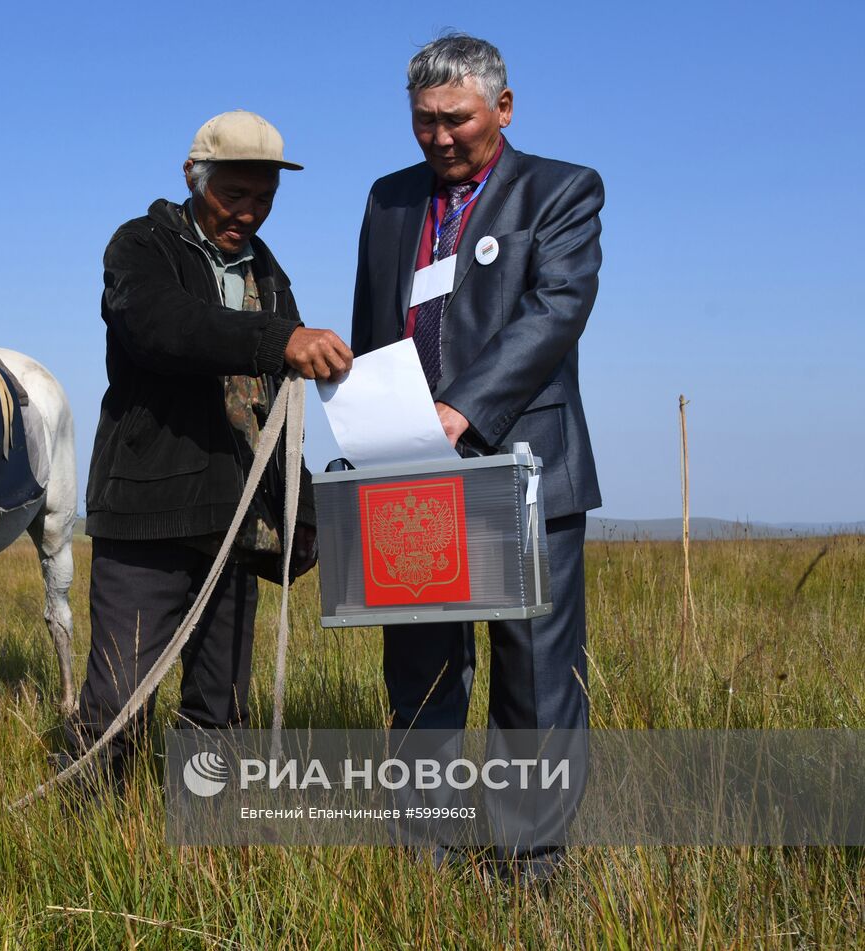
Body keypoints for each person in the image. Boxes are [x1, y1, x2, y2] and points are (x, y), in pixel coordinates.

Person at [350, 34, 603, 876]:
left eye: (455, 119)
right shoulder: (389, 200)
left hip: (522, 469)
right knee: (421, 672)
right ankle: (425, 855)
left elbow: (555, 312)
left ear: (503, 106)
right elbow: (373, 328)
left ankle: (531, 863)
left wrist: (464, 409)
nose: (439, 138)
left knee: (532, 672)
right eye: (423, 122)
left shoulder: (560, 191)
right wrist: (368, 428)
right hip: (410, 473)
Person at [69, 110, 353, 784]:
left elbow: (277, 410)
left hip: (237, 522)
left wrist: (302, 506)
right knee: (116, 702)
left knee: (220, 710)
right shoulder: (141, 246)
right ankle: (81, 840)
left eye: (263, 200)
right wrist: (275, 338)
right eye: (234, 196)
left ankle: (206, 852)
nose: (247, 214)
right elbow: (162, 327)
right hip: (150, 514)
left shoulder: (271, 274)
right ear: (194, 178)